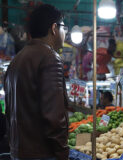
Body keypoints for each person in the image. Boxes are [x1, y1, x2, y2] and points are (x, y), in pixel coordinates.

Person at [4, 4, 69, 160]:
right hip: (42, 154)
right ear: (54, 28)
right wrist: (62, 153)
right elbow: (54, 117)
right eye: (64, 28)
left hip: (18, 152)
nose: (65, 33)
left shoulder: (17, 60)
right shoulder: (50, 58)